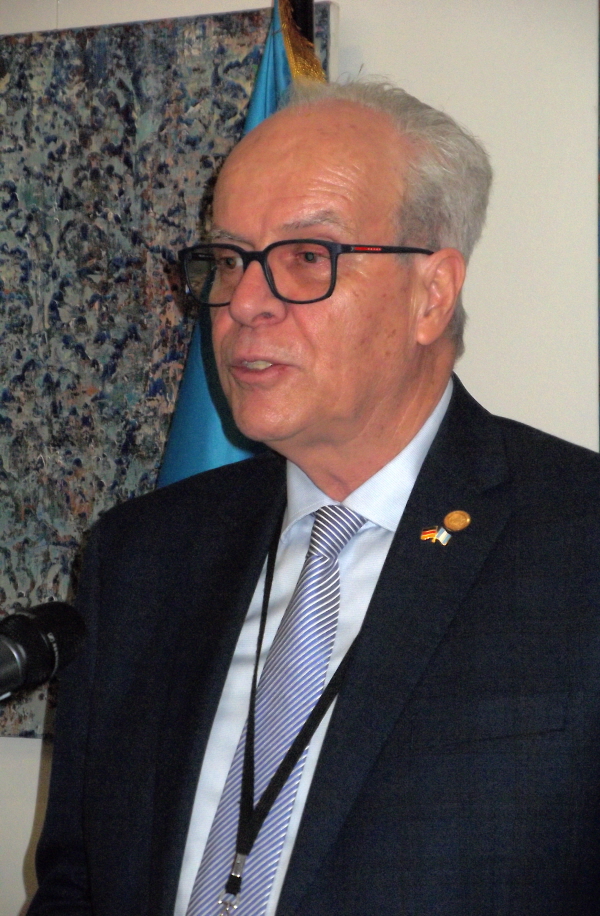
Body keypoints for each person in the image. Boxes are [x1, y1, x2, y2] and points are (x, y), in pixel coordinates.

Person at [29, 81, 600, 916]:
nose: (243, 304)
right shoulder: (142, 556)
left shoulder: (580, 545)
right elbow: (77, 885)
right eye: (228, 260)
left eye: (305, 257)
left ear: (432, 294)